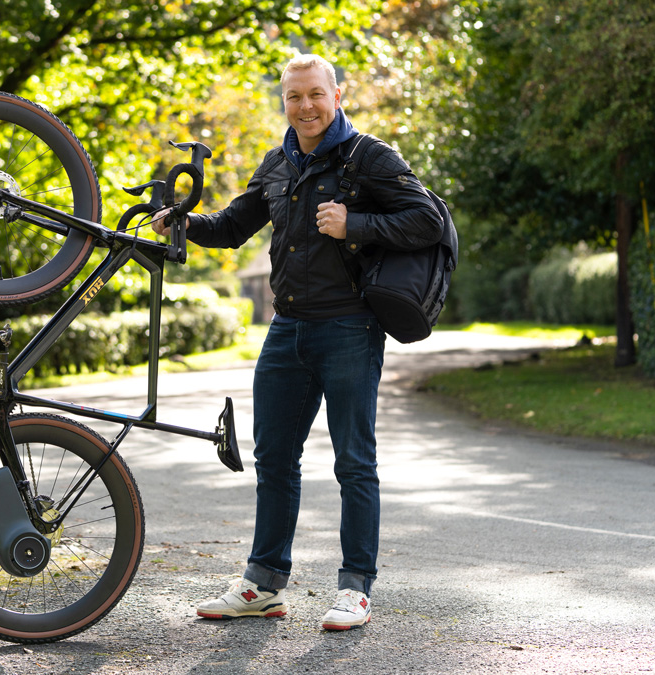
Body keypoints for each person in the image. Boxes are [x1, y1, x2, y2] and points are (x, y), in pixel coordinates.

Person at [152, 54, 444, 630]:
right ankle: (263, 584)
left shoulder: (370, 157)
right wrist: (182, 222)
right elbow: (232, 227)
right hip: (286, 329)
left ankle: (355, 590)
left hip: (350, 328)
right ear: (283, 100)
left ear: (337, 95)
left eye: (315, 94)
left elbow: (426, 220)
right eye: (294, 96)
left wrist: (355, 224)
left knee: (354, 462)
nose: (305, 106)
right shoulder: (278, 162)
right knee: (275, 460)